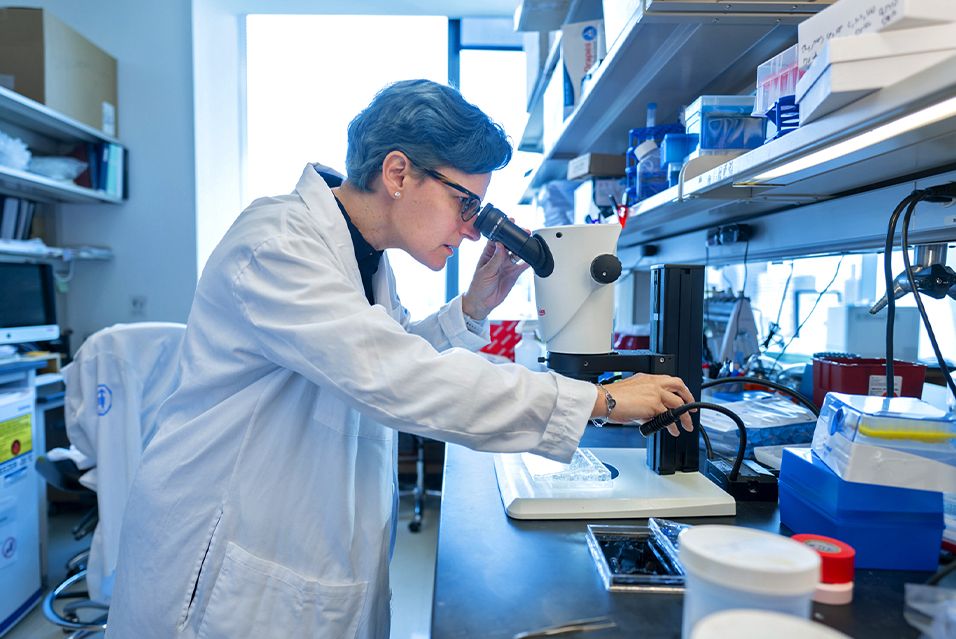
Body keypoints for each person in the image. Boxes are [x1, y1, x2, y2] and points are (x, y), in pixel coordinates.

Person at [105, 79, 694, 639]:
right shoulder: (277, 243)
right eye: (466, 205)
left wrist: (469, 310)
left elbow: (381, 348)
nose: (471, 232)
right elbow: (391, 375)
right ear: (397, 173)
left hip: (305, 550)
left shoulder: (364, 256)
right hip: (221, 566)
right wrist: (598, 400)